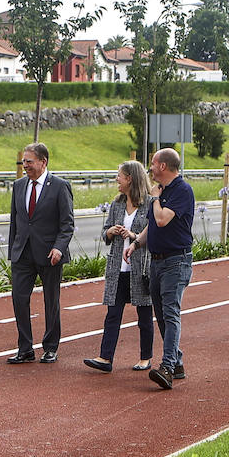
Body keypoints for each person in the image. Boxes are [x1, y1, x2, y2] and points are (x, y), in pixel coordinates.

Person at [128, 147, 194, 389]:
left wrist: (155, 199)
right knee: (162, 315)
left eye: (153, 164)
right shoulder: (162, 191)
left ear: (163, 166)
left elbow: (162, 219)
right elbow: (152, 227)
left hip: (176, 261)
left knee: (170, 313)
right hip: (156, 261)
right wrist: (136, 243)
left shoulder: (181, 190)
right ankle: (176, 362)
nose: (151, 168)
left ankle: (166, 367)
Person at [6, 143, 75, 364]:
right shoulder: (18, 186)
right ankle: (25, 348)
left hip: (49, 254)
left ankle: (50, 347)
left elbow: (67, 224)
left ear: (43, 162)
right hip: (22, 253)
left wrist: (59, 247)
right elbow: (15, 223)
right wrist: (13, 251)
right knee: (19, 299)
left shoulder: (60, 186)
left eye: (29, 161)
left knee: (51, 301)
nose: (25, 165)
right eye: (24, 161)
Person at [85, 160, 155, 373]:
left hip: (140, 268)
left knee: (144, 316)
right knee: (112, 314)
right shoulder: (116, 204)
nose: (117, 179)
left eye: (120, 176)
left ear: (130, 178)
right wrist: (111, 232)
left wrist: (132, 236)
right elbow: (104, 232)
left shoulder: (150, 204)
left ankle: (145, 358)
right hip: (118, 269)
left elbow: (153, 234)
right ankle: (105, 358)